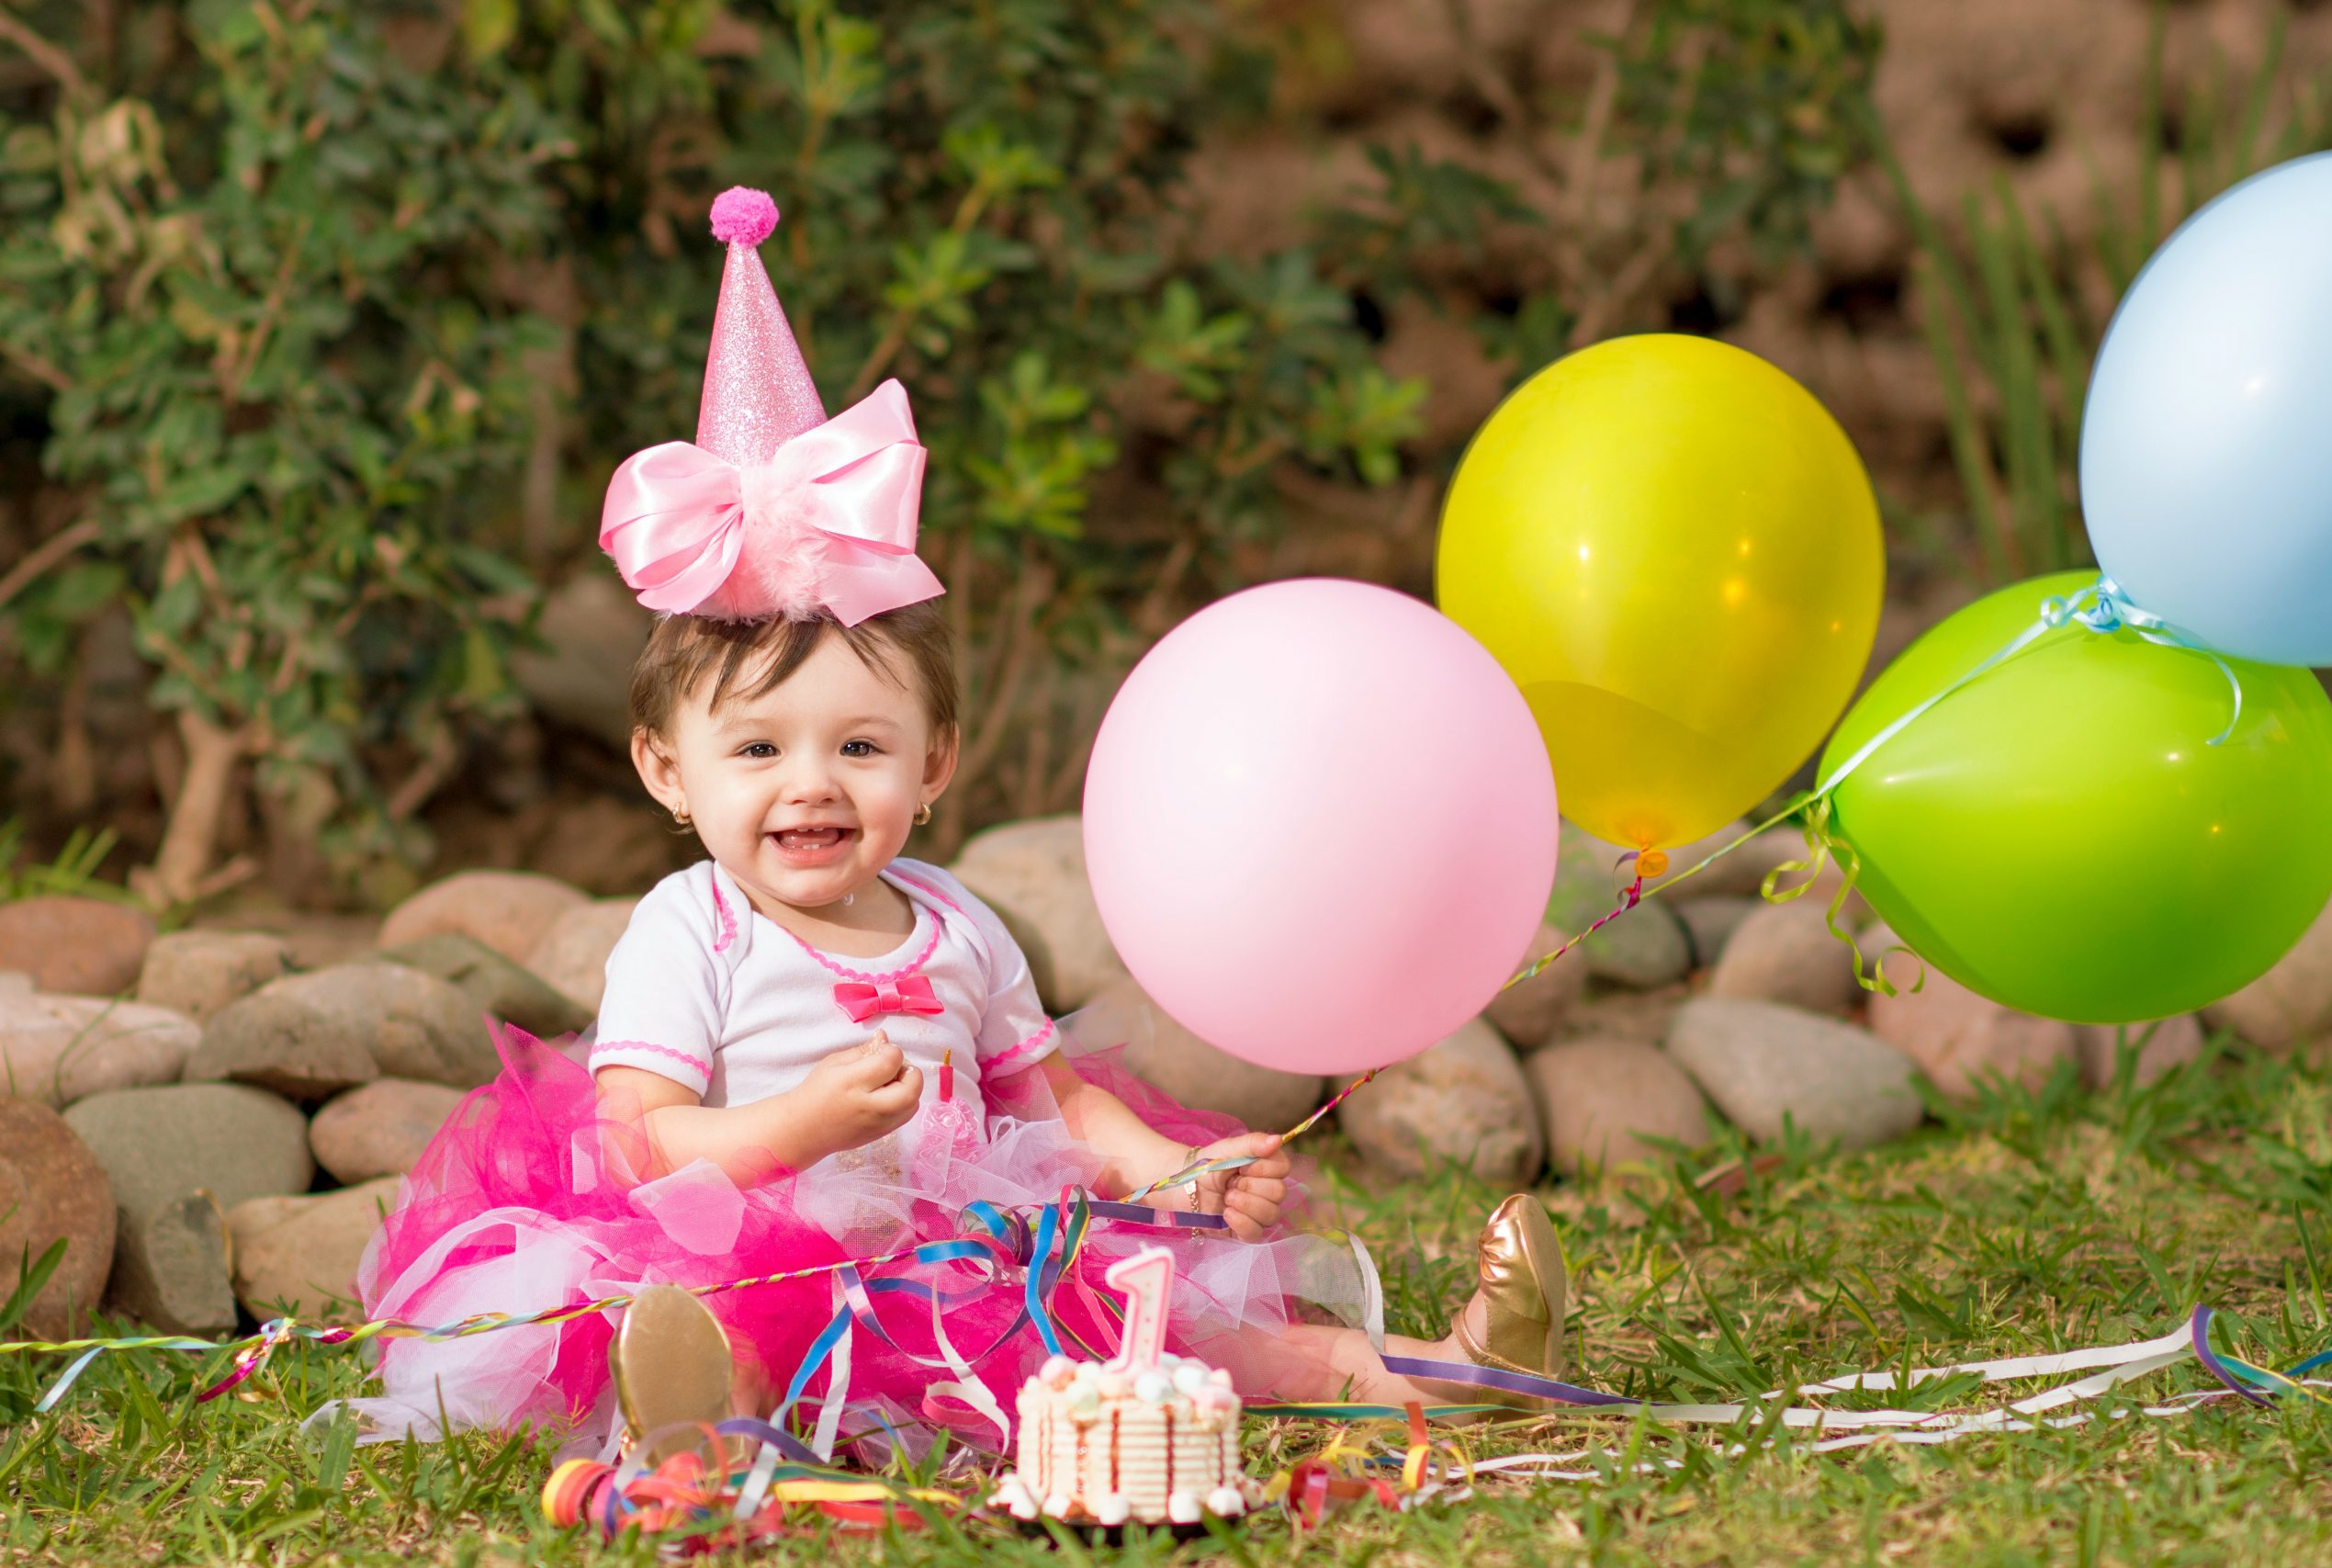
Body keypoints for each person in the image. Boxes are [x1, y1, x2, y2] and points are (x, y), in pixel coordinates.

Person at [330, 187, 1571, 1463]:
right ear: (664, 770)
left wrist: (1166, 1168)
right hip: (774, 1262)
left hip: (975, 1270)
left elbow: (1055, 1106)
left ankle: (1459, 1366)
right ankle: (697, 1419)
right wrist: (798, 1125)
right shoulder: (689, 929)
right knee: (718, 1315)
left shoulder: (956, 923)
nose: (809, 785)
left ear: (935, 765)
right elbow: (640, 1139)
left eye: (860, 748)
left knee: (1180, 1336)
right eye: (755, 751)